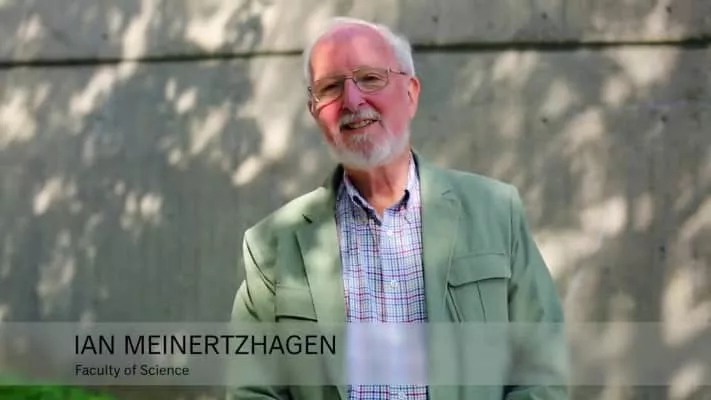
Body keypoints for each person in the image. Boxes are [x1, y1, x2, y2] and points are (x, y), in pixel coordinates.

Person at [228, 16, 569, 400]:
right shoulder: (272, 245)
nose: (352, 101)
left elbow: (541, 372)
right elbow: (253, 390)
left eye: (370, 78)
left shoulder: (495, 212)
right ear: (314, 110)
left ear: (410, 93)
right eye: (330, 87)